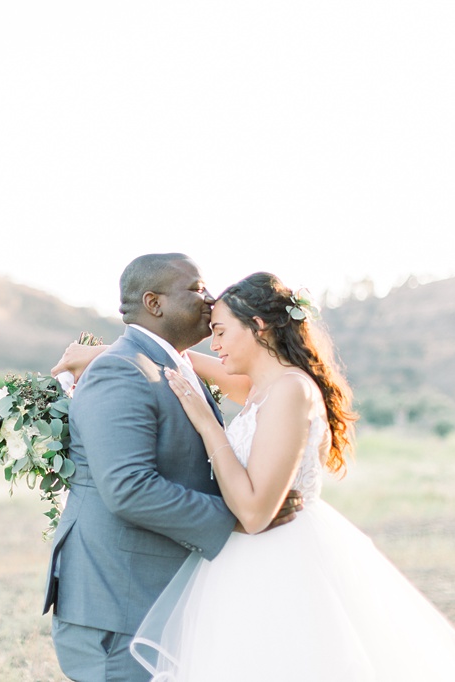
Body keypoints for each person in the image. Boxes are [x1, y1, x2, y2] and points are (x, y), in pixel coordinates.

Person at [125, 271, 455, 680]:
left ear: (259, 326)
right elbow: (173, 359)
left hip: (284, 557)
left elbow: (253, 514)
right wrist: (97, 357)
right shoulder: (259, 388)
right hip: (241, 561)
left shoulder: (290, 390)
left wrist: (208, 425)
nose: (214, 344)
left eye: (220, 332)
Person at [42, 254, 301, 682]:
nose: (211, 298)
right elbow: (129, 488)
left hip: (155, 598)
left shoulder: (172, 366)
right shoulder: (119, 372)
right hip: (118, 604)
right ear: (155, 302)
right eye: (197, 289)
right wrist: (240, 519)